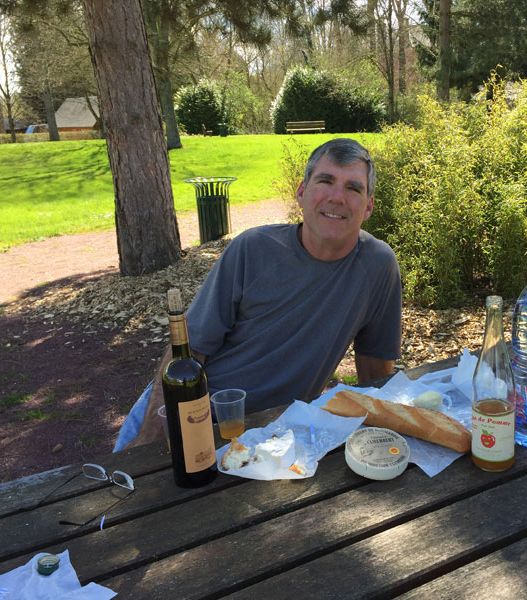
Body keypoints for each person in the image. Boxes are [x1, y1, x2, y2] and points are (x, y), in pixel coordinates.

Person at [115, 138, 402, 450]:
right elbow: (187, 353)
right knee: (129, 482)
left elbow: (375, 373)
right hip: (186, 412)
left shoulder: (378, 266)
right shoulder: (252, 249)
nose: (337, 197)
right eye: (325, 181)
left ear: (368, 206)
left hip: (274, 436)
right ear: (302, 193)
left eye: (353, 188)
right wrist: (150, 439)